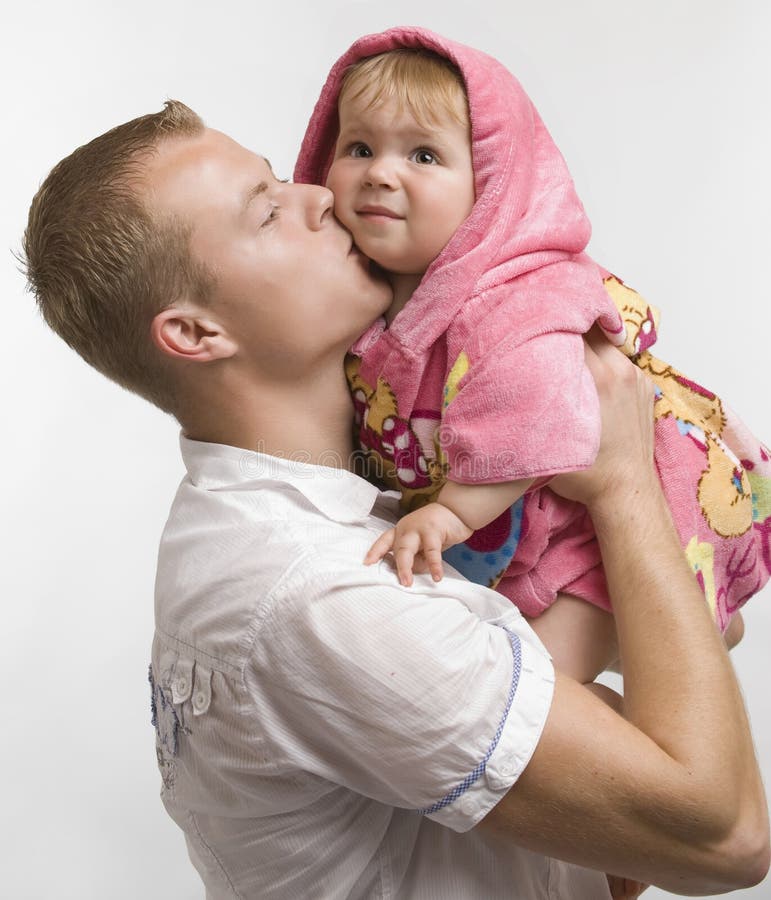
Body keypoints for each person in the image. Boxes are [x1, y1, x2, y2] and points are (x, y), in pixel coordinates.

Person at [22, 101, 769, 899]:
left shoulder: (332, 509)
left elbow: (593, 847)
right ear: (197, 335)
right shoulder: (322, 596)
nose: (317, 195)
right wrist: (621, 482)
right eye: (268, 210)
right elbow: (723, 837)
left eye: (281, 176)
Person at [294, 27, 771, 683]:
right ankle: (702, 621)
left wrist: (451, 512)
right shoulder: (365, 296)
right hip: (512, 519)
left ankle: (694, 615)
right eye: (359, 147)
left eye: (424, 156)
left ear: (491, 187)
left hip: (591, 532)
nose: (380, 171)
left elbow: (535, 411)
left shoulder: (518, 301)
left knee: (535, 688)